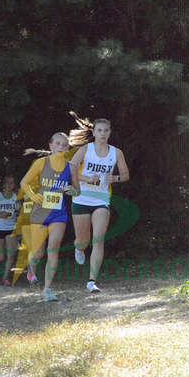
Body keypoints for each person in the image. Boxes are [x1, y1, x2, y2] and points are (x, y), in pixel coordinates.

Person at [69, 113, 129, 293]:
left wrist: (115, 178)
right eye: (99, 130)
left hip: (101, 200)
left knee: (99, 240)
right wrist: (86, 178)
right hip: (81, 199)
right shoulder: (85, 150)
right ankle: (78, 249)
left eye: (106, 131)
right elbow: (70, 169)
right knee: (83, 241)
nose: (103, 134)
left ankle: (91, 281)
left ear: (109, 133)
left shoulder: (116, 152)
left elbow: (125, 175)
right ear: (94, 132)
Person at [20, 133, 80, 301]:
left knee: (53, 247)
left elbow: (78, 190)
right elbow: (24, 183)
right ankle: (31, 266)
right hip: (40, 213)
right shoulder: (41, 163)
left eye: (65, 144)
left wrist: (73, 191)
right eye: (58, 144)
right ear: (51, 145)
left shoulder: (71, 167)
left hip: (58, 214)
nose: (62, 147)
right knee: (39, 254)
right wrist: (32, 196)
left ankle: (47, 289)